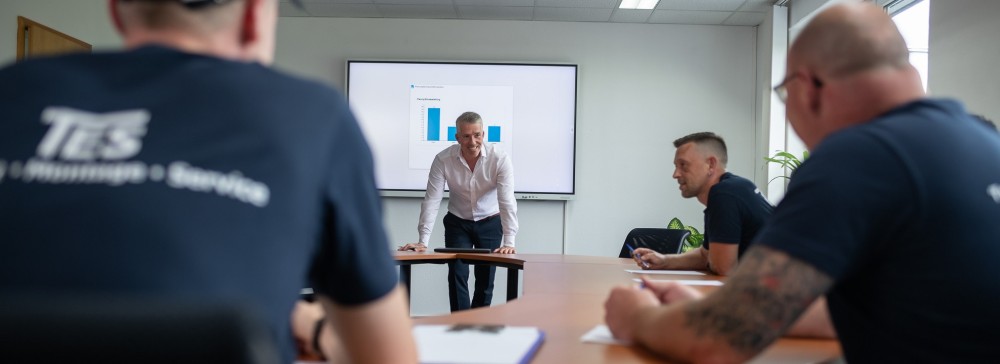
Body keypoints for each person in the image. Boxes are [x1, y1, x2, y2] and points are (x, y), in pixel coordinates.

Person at [0, 0, 416, 363]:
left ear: (116, 10)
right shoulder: (312, 117)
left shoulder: (10, 90)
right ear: (255, 14)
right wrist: (316, 328)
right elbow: (386, 357)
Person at [604, 3, 1000, 363]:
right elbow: (865, 312)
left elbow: (716, 341)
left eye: (783, 92)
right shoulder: (984, 144)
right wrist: (722, 307)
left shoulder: (858, 157)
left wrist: (637, 317)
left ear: (808, 87)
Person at [398, 111, 518, 312]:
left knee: (485, 280)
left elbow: (506, 200)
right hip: (458, 222)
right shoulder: (443, 159)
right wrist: (423, 240)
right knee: (457, 274)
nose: (473, 141)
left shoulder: (500, 159)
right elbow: (432, 199)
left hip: (490, 221)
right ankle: (461, 324)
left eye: (477, 135)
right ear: (457, 137)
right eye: (466, 136)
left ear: (483, 134)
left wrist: (509, 241)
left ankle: (478, 325)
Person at [631, 132, 773, 276]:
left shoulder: (724, 194)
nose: (676, 174)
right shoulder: (734, 188)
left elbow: (723, 268)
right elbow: (706, 255)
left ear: (710, 164)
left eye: (683, 165)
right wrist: (664, 261)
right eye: (676, 166)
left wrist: (713, 260)